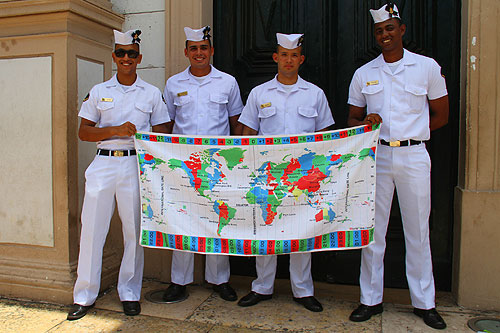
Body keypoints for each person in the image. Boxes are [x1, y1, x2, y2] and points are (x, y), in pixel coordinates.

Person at [346, 3, 449, 330]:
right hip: (376, 157)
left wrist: (412, 133)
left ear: (401, 29)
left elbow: (441, 115)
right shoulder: (365, 74)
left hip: (414, 156)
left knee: (418, 230)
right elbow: (352, 118)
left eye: (390, 28)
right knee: (373, 230)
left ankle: (424, 302)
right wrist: (365, 122)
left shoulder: (427, 67)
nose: (385, 34)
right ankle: (370, 299)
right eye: (379, 30)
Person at [67, 29, 172, 321]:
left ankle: (129, 292)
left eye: (132, 54)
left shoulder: (151, 93)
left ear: (139, 58)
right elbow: (84, 131)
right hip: (103, 164)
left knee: (134, 231)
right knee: (92, 231)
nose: (127, 59)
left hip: (135, 165)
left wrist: (145, 135)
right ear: (114, 56)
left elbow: (164, 131)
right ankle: (84, 295)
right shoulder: (100, 91)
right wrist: (114, 130)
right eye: (122, 53)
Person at [237, 33, 334, 312]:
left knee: (302, 232)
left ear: (300, 59)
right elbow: (248, 133)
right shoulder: (259, 93)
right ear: (275, 58)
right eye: (284, 55)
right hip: (268, 174)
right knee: (265, 231)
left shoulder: (314, 94)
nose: (288, 60)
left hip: (303, 176)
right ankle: (262, 287)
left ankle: (302, 290)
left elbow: (325, 136)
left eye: (294, 55)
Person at [162, 26, 244, 303]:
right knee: (182, 218)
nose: (199, 53)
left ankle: (219, 280)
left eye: (204, 48)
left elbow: (236, 124)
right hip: (184, 164)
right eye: (193, 48)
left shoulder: (228, 82)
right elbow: (169, 124)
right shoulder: (174, 84)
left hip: (219, 163)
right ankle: (179, 281)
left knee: (219, 219)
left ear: (211, 51)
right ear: (186, 52)